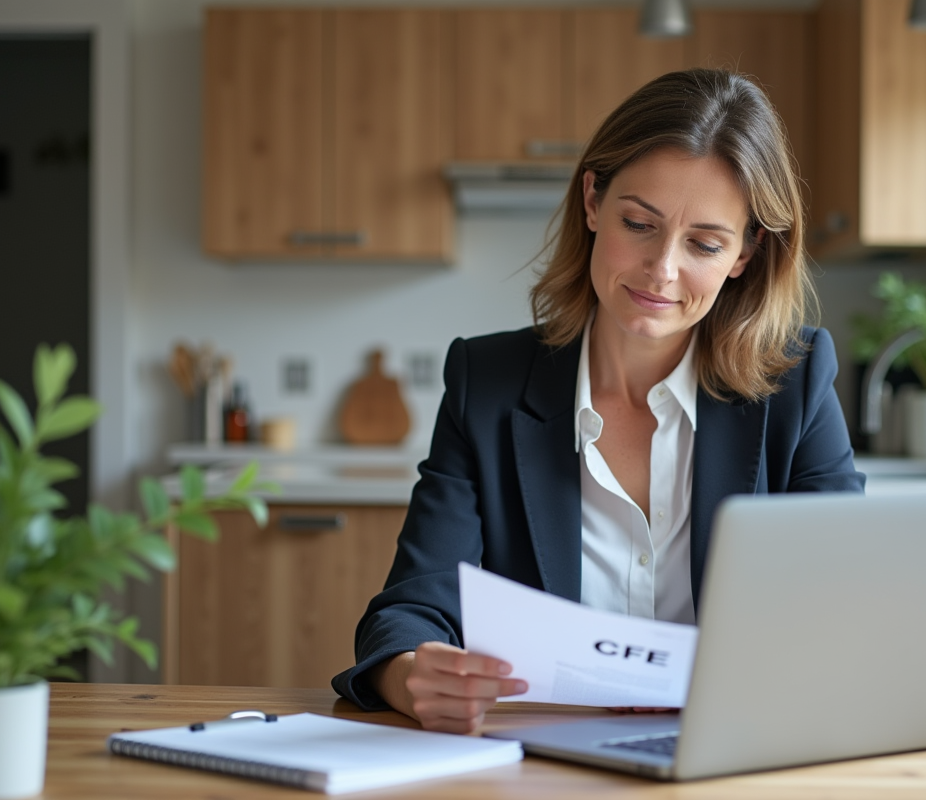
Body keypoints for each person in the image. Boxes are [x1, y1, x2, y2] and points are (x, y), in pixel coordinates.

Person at [332, 68, 865, 733]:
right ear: (592, 200)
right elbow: (410, 606)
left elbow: (840, 606)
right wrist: (413, 674)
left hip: (729, 750)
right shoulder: (487, 381)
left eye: (704, 243)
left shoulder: (797, 379)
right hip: (545, 754)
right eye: (639, 223)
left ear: (745, 254)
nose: (662, 269)